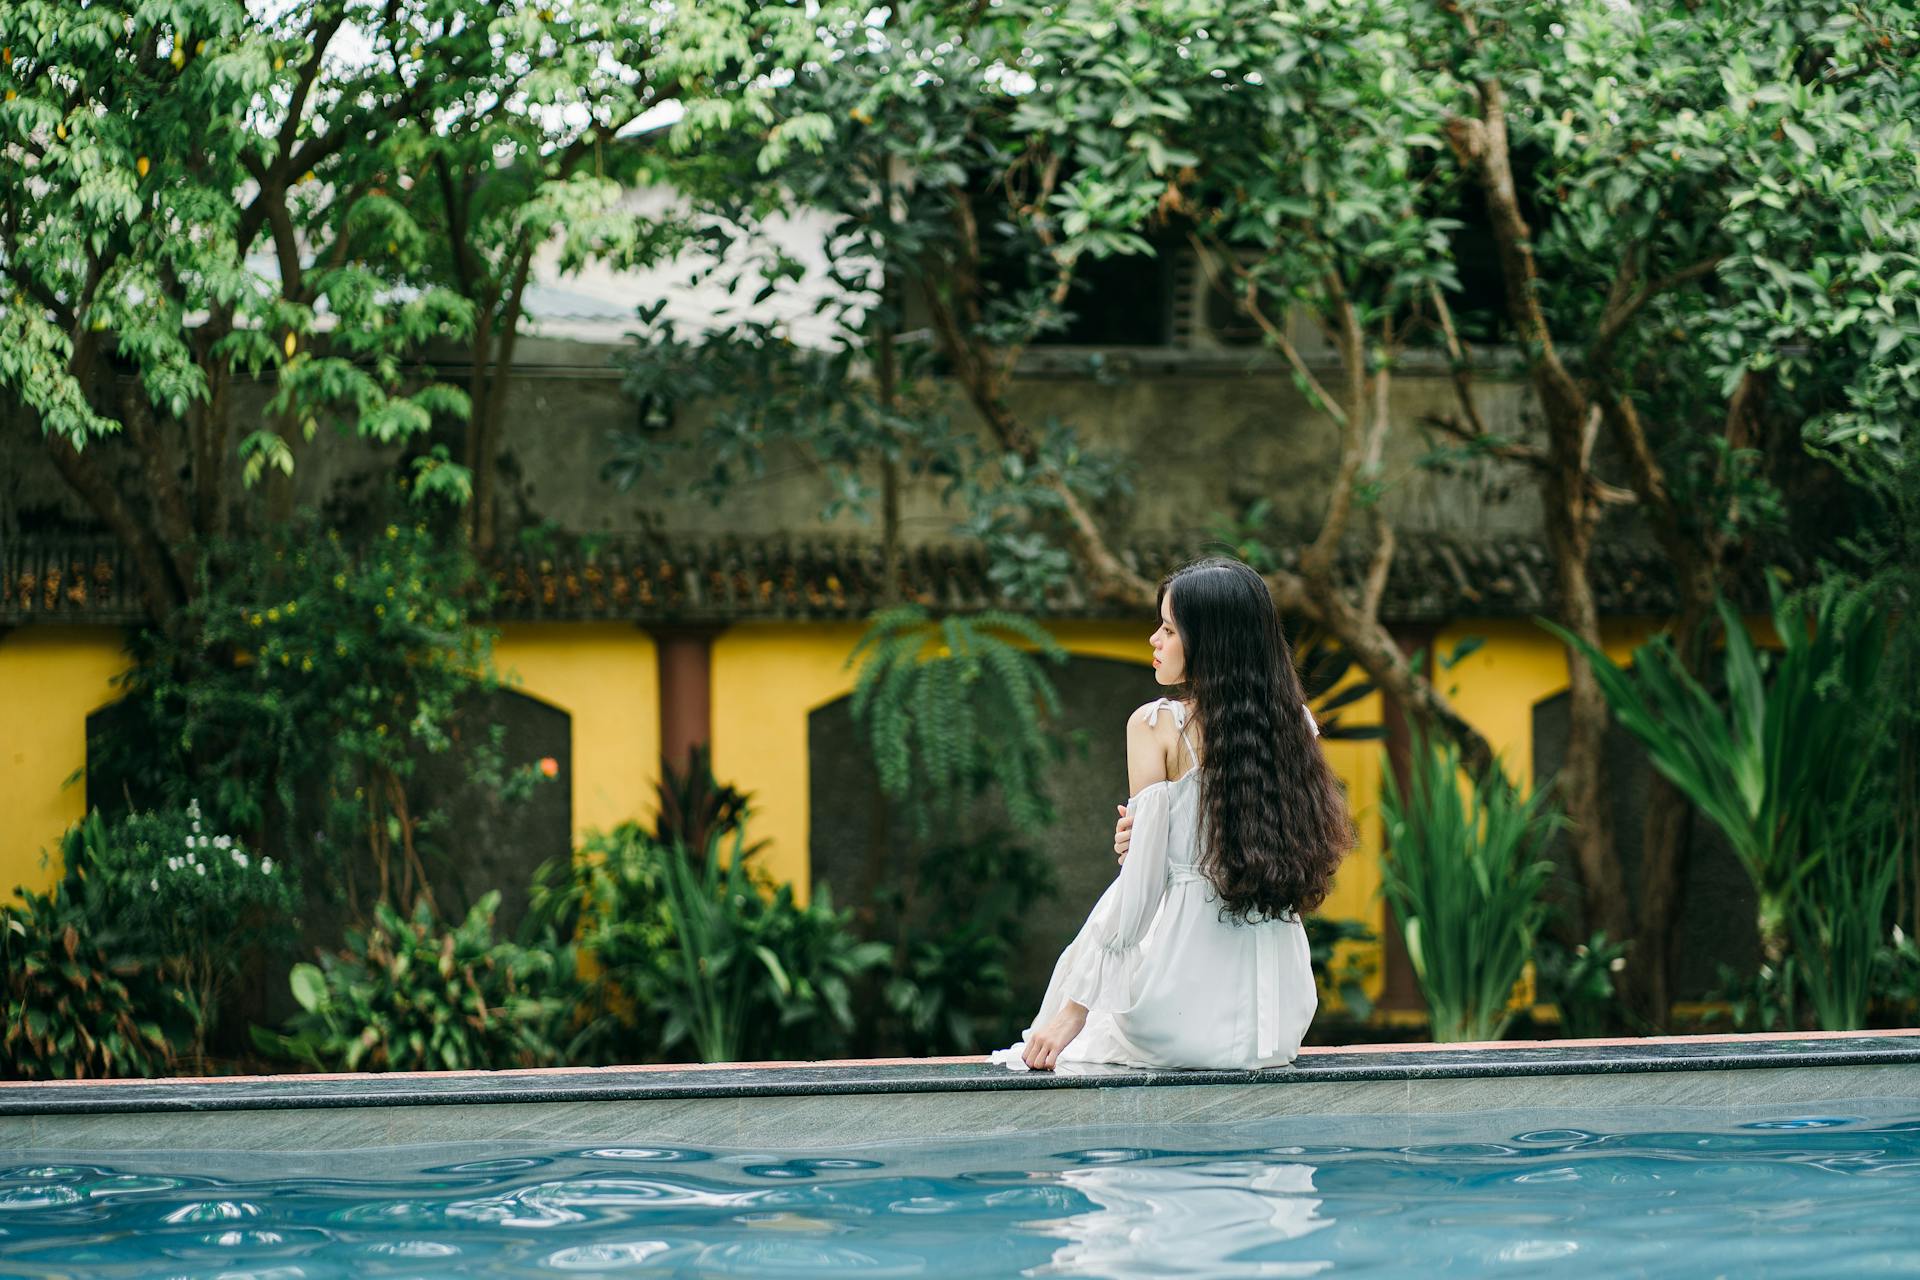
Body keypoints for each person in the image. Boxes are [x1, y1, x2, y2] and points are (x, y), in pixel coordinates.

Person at [990, 556, 1355, 1071]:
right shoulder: (1293, 725)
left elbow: (1140, 887)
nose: (1153, 641)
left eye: (1167, 628)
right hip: (1276, 1023)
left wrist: (1075, 1010)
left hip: (1181, 1012)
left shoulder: (1156, 724)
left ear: (1210, 643)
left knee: (1081, 1030)